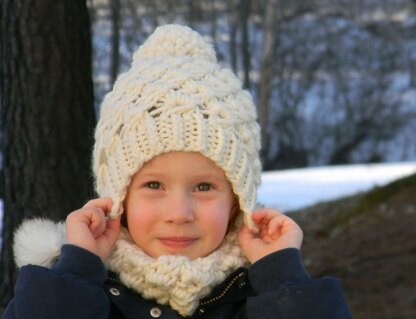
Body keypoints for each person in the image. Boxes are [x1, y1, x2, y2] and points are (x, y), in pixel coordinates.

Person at [3, 25, 352, 319]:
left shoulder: (264, 298)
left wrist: (282, 278)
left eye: (203, 187)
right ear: (118, 197)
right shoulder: (69, 296)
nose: (179, 214)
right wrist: (77, 269)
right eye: (153, 184)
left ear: (237, 202)